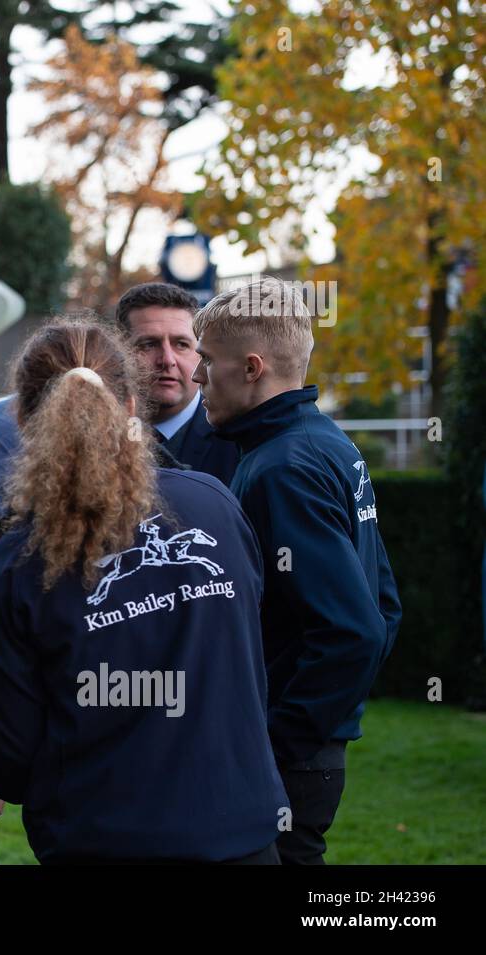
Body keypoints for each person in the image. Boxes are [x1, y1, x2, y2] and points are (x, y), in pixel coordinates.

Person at [0, 320, 288, 864]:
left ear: (20, 419)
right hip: (245, 835)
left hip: (100, 838)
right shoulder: (214, 502)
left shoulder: (9, 564)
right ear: (133, 406)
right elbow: (251, 652)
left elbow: (12, 755)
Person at [193, 278, 401, 864]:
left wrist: (281, 739)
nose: (195, 375)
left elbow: (356, 630)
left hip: (286, 756)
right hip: (310, 748)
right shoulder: (327, 442)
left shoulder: (284, 465)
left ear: (253, 366)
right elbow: (384, 603)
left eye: (207, 361)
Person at [116, 282, 240, 485]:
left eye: (181, 344)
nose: (167, 360)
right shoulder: (99, 437)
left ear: (200, 352)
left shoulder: (236, 442)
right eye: (149, 344)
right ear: (120, 350)